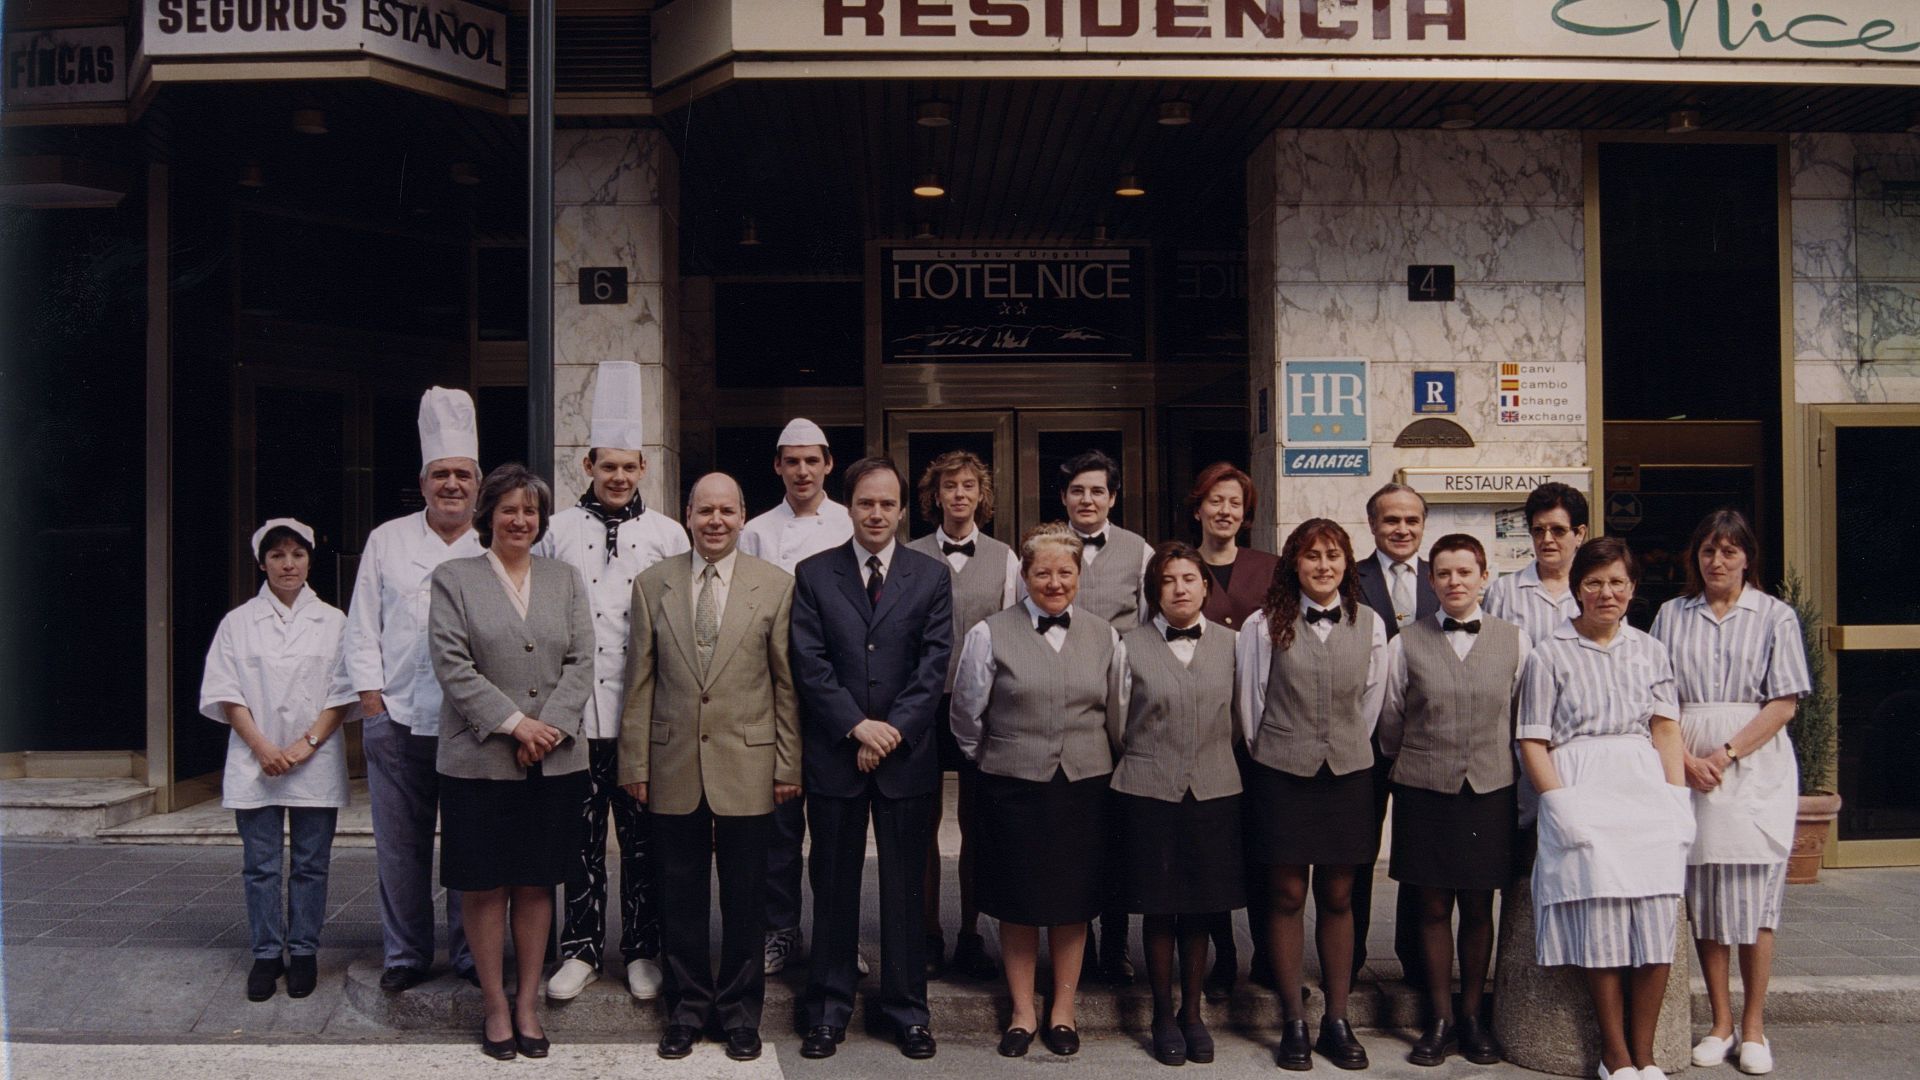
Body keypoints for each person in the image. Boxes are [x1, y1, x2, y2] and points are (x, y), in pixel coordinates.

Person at [619, 473, 799, 1063]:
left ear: (743, 515)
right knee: (680, 894)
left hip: (749, 762)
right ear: (688, 515)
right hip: (672, 761)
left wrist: (787, 762)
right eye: (704, 511)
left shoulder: (774, 586)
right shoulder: (654, 584)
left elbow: (786, 685)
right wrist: (634, 763)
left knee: (749, 896)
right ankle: (687, 1009)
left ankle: (742, 1013)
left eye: (726, 510)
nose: (715, 521)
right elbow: (638, 682)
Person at [428, 463, 594, 1061]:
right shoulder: (455, 578)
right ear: (487, 516)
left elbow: (582, 661)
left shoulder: (565, 578)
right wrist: (517, 725)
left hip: (554, 760)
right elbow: (452, 664)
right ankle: (494, 1003)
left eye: (530, 511)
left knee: (534, 880)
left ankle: (528, 1001)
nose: (520, 520)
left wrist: (547, 728)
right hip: (479, 759)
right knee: (483, 884)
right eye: (508, 510)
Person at [790, 457, 953, 1061]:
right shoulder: (813, 574)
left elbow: (933, 664)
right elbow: (809, 663)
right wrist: (857, 727)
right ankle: (828, 1009)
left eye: (887, 504)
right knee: (832, 885)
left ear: (902, 508)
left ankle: (907, 1009)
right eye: (865, 503)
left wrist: (890, 733)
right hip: (837, 754)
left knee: (906, 889)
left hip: (905, 759)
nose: (876, 514)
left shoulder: (930, 577)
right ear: (849, 505)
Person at [538, 361, 689, 1004]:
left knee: (642, 840)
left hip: (641, 717)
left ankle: (643, 950)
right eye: (608, 466)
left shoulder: (668, 535)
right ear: (588, 466)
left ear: (644, 470)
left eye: (630, 467)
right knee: (579, 840)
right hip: (574, 716)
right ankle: (579, 951)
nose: (619, 477)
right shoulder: (556, 532)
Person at [1517, 536, 1694, 1080]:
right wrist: (1561, 806)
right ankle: (1614, 1055)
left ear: (1632, 589)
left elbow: (1665, 728)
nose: (1606, 593)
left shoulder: (1650, 650)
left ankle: (1646, 1055)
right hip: (1584, 790)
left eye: (1617, 582)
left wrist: (1676, 798)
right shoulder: (1549, 653)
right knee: (1606, 927)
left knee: (1658, 920)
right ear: (1576, 591)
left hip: (1644, 793)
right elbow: (1531, 741)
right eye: (1593, 582)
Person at [951, 523, 1124, 1059]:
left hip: (1082, 784)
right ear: (1024, 575)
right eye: (1042, 572)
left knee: (1073, 901)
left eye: (1065, 572)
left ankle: (1064, 1010)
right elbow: (966, 714)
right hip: (1013, 784)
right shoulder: (989, 632)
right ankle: (1023, 1010)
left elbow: (1117, 713)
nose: (1054, 582)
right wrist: (997, 756)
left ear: (1078, 577)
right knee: (1018, 900)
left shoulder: (1105, 635)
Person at [1650, 510, 1810, 1076]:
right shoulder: (1672, 615)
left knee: (1757, 905)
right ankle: (1719, 1023)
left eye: (1729, 551)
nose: (1717, 561)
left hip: (1753, 767)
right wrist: (1687, 760)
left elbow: (1785, 701)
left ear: (1747, 557)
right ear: (1695, 558)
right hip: (1688, 763)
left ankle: (1755, 1027)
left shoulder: (1775, 616)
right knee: (1710, 903)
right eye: (1708, 551)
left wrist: (1725, 754)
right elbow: (1659, 697)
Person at [335, 387, 484, 991]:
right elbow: (360, 627)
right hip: (396, 718)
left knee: (470, 847)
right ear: (422, 483)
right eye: (441, 474)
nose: (452, 485)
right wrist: (371, 704)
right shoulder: (387, 541)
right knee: (400, 849)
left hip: (472, 723)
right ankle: (405, 956)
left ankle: (473, 956)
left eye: (462, 475)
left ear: (478, 484)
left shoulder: (494, 540)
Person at [1236, 518, 1387, 1071]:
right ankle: (1294, 1020)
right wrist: (1283, 749)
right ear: (1293, 564)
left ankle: (1337, 1020)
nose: (1323, 566)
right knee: (1286, 893)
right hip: (1282, 769)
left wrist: (1341, 744)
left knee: (1340, 895)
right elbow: (1251, 704)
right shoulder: (1262, 624)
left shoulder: (1369, 624)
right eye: (1311, 556)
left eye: (1333, 556)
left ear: (1347, 562)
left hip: (1347, 773)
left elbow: (1372, 704)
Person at [1377, 534, 1531, 1068]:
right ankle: (1439, 1019)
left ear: (1485, 577)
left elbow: (1519, 718)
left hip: (1490, 788)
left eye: (1465, 572)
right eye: (1443, 574)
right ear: (1431, 581)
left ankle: (1472, 1016)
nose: (1454, 582)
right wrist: (1420, 761)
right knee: (1433, 905)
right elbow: (1391, 721)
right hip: (1425, 788)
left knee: (1478, 906)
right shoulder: (1405, 643)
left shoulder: (1516, 641)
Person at [200, 518, 357, 1003]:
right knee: (261, 864)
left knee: (311, 863)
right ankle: (267, 954)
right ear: (261, 562)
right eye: (277, 556)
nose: (288, 564)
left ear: (310, 559)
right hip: (257, 758)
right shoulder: (238, 622)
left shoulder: (334, 621)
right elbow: (226, 690)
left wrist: (304, 745)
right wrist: (263, 748)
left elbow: (344, 690)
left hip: (315, 755)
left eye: (296, 554)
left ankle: (305, 951)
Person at [1112, 541, 1245, 1067]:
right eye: (1168, 581)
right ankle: (1162, 1014)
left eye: (1190, 578)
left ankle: (1194, 1013)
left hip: (1214, 788)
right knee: (1159, 906)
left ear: (1206, 587)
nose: (1180, 589)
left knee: (1201, 907)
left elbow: (1241, 718)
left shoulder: (1234, 645)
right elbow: (1119, 721)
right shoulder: (1128, 645)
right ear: (1154, 592)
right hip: (1148, 788)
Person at [739, 417, 854, 976]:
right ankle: (779, 931)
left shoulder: (851, 522)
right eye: (792, 461)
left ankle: (838, 936)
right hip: (775, 693)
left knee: (835, 831)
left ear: (829, 464)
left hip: (835, 695)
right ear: (777, 467)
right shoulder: (757, 530)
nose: (803, 470)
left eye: (813, 460)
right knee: (780, 828)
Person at [905, 450, 1021, 981]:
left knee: (977, 824)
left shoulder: (1006, 559)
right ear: (935, 495)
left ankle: (971, 933)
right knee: (922, 823)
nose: (959, 495)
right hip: (924, 706)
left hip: (984, 706)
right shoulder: (909, 554)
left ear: (982, 495)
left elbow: (1013, 632)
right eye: (949, 485)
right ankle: (927, 930)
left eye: (968, 486)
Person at [1185, 461, 1280, 998]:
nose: (1224, 511)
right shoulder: (1175, 564)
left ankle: (1270, 955)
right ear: (1198, 507)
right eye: (1215, 501)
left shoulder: (1269, 567)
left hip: (1261, 731)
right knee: (1212, 847)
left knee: (1264, 846)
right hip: (1203, 730)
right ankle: (1222, 955)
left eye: (1235, 504)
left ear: (1245, 516)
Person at [1058, 448, 1151, 983]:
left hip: (1117, 706)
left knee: (1115, 832)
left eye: (1097, 491)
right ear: (1064, 497)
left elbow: (1149, 624)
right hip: (1063, 706)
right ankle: (1080, 943)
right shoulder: (1046, 546)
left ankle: (1114, 945)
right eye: (1077, 490)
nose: (1087, 499)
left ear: (1113, 497)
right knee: (1074, 835)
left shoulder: (1138, 551)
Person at [1350, 482, 1436, 986]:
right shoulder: (1350, 579)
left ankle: (1413, 954)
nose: (1401, 529)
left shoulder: (1441, 577)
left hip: (1423, 741)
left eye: (1411, 521)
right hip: (1361, 740)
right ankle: (1352, 956)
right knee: (1360, 852)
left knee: (1417, 850)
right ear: (1373, 525)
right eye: (1391, 521)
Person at [1484, 482, 1590, 844]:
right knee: (1526, 841)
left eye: (1558, 530)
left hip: (1578, 736)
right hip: (1520, 734)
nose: (1547, 539)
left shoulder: (1593, 590)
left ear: (1580, 534)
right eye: (1538, 530)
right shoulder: (1504, 592)